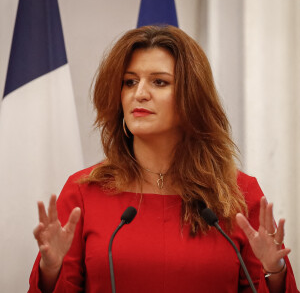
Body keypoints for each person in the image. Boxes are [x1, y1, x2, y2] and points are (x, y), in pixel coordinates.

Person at [28, 25, 298, 293]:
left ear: (191, 97)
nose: (140, 93)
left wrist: (275, 273)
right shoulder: (83, 193)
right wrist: (49, 271)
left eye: (159, 82)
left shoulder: (240, 194)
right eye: (130, 82)